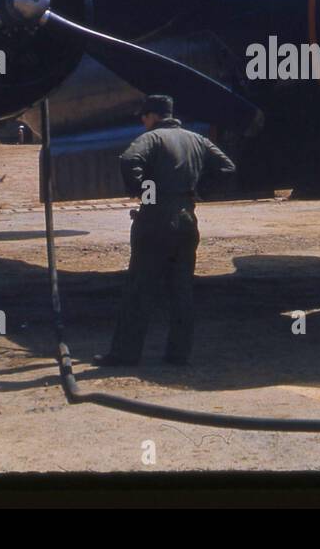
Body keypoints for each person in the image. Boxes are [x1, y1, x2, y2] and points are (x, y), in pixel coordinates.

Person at [94, 95, 237, 367]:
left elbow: (128, 159)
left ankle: (125, 353)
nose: (142, 121)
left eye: (144, 116)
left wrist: (144, 193)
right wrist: (199, 190)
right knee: (182, 290)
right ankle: (178, 354)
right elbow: (228, 167)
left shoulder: (152, 138)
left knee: (140, 289)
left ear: (153, 116)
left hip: (155, 221)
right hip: (187, 219)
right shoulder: (197, 139)